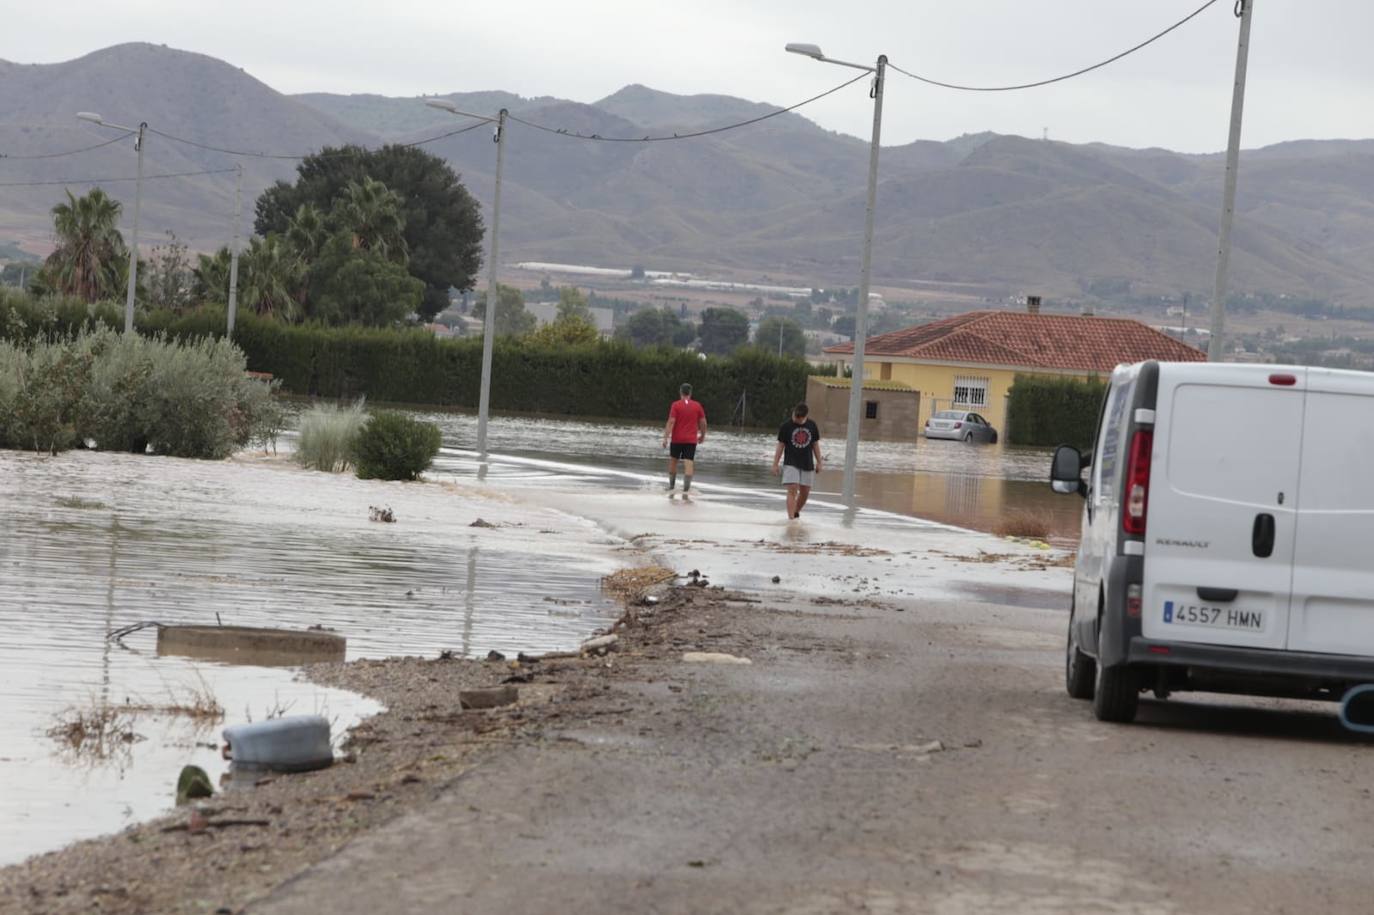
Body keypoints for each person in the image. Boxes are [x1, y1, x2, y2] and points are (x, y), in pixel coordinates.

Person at [773, 402, 822, 519]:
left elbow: (815, 444)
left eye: (798, 419)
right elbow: (780, 446)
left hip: (807, 462)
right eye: (794, 416)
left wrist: (819, 462)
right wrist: (775, 463)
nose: (795, 419)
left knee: (805, 493)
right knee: (792, 489)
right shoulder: (786, 426)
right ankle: (791, 519)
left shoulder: (812, 425)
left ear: (805, 417)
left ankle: (795, 512)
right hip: (791, 462)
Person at [662, 382, 707, 492]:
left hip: (677, 439)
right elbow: (703, 422)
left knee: (673, 461)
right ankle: (686, 490)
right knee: (689, 463)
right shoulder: (697, 405)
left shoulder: (676, 405)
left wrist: (665, 438)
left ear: (680, 392)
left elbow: (671, 421)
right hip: (691, 440)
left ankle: (671, 486)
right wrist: (702, 435)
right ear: (690, 393)